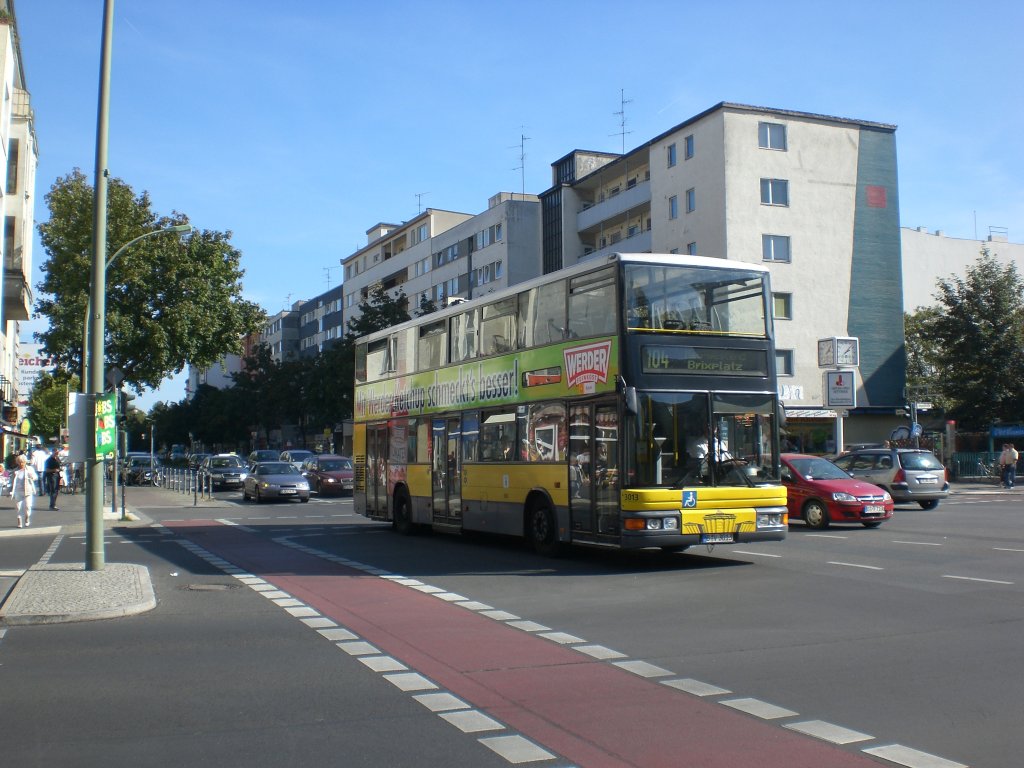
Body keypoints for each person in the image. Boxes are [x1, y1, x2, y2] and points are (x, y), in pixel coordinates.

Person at [10, 453, 38, 528]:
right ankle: (19, 521)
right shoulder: (15, 471)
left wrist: (32, 477)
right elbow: (11, 481)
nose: (21, 464)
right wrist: (10, 490)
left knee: (28, 506)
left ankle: (27, 518)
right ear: (18, 463)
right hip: (18, 491)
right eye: (20, 462)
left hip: (28, 490)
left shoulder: (29, 469)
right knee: (18, 507)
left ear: (25, 462)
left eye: (23, 462)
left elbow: (35, 477)